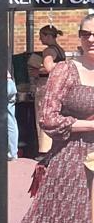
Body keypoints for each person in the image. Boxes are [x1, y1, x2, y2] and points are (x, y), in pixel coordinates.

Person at [10, 11, 94, 223]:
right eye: (86, 33)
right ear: (78, 36)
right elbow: (48, 118)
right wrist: (86, 125)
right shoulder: (65, 70)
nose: (91, 39)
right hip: (72, 159)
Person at [27, 23, 65, 156]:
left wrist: (38, 69)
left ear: (48, 36)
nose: (40, 39)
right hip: (57, 85)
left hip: (45, 85)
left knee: (42, 116)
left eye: (41, 36)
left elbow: (49, 67)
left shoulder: (48, 51)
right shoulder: (60, 49)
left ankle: (44, 149)